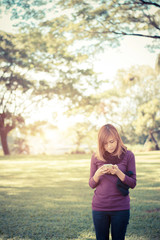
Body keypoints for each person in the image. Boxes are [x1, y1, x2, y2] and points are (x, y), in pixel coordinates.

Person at [89, 124, 136, 240]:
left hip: (121, 207)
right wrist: (97, 174)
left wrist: (118, 172)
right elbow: (91, 184)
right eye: (105, 143)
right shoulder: (96, 156)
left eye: (112, 141)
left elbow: (133, 183)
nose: (109, 146)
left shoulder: (128, 155)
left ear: (117, 139)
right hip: (99, 208)